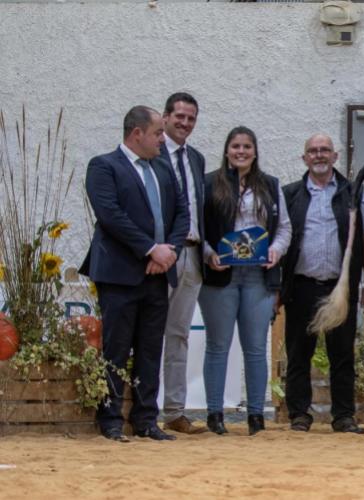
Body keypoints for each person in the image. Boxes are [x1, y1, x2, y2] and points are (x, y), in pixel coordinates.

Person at [81, 105, 190, 442]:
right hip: (119, 273)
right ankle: (110, 419)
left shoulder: (162, 166)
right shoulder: (104, 166)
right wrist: (149, 248)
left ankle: (145, 419)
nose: (163, 138)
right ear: (137, 133)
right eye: (158, 132)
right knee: (116, 347)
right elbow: (111, 215)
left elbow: (182, 212)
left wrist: (168, 251)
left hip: (158, 273)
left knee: (149, 348)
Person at [280, 133, 364, 434]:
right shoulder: (290, 195)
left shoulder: (352, 194)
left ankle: (343, 416)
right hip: (301, 285)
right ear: (304, 158)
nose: (319, 155)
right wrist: (277, 287)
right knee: (299, 354)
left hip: (341, 287)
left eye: (325, 150)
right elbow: (282, 240)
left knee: (342, 355)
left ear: (335, 157)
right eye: (313, 151)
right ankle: (299, 415)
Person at [199, 126, 291, 436]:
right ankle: (215, 414)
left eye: (247, 146)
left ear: (255, 151)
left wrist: (276, 252)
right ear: (227, 151)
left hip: (258, 276)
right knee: (218, 346)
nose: (241, 151)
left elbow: (284, 229)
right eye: (236, 146)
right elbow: (197, 228)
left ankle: (255, 416)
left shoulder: (270, 185)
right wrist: (210, 254)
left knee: (255, 348)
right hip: (220, 275)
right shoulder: (209, 183)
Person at [156, 92, 209, 435]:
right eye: (179, 117)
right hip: (161, 256)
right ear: (165, 117)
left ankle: (174, 410)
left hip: (192, 254)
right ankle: (141, 409)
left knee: (178, 335)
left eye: (191, 118)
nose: (185, 124)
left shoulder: (197, 159)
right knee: (147, 333)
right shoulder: (150, 154)